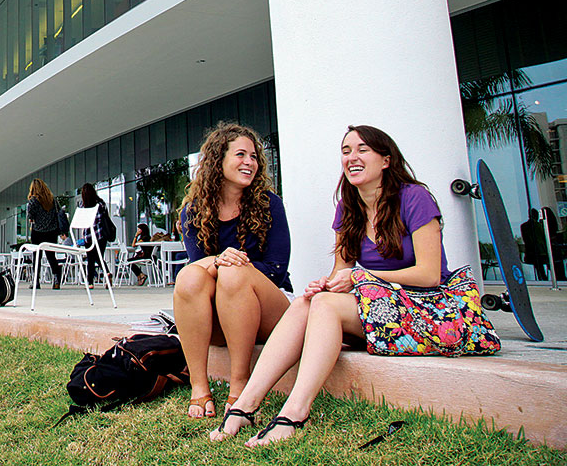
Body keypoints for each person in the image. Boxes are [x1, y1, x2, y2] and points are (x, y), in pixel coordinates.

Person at [209, 125, 457, 446]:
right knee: (307, 302)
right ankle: (245, 405)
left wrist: (358, 278)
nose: (352, 157)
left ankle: (295, 412)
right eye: (345, 151)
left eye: (362, 149)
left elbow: (429, 274)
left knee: (324, 305)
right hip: (380, 307)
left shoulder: (414, 197)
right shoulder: (348, 206)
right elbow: (343, 271)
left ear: (386, 160)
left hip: (426, 308)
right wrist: (327, 284)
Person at [174, 122, 291, 419]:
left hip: (269, 310)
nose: (249, 162)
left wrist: (229, 265)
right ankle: (199, 386)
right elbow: (197, 266)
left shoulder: (270, 204)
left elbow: (277, 270)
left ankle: (240, 385)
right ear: (218, 160)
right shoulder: (194, 211)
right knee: (189, 276)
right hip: (218, 318)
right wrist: (217, 261)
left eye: (254, 156)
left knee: (232, 272)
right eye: (241, 154)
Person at [26, 178, 68, 289]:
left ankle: (36, 281)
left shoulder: (33, 200)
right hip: (52, 231)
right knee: (51, 256)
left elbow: (30, 216)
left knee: (37, 256)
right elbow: (59, 212)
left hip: (38, 231)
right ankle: (56, 278)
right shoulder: (52, 200)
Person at [77, 182, 112, 289]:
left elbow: (83, 221)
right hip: (101, 235)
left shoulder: (83, 206)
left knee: (90, 259)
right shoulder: (101, 204)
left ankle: (90, 282)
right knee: (99, 257)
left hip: (89, 236)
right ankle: (107, 273)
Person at [520, 209, 550, 280]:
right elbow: (543, 239)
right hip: (539, 253)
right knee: (541, 265)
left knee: (539, 266)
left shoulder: (524, 226)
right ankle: (544, 278)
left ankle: (542, 277)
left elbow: (526, 239)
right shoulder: (539, 226)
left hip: (531, 253)